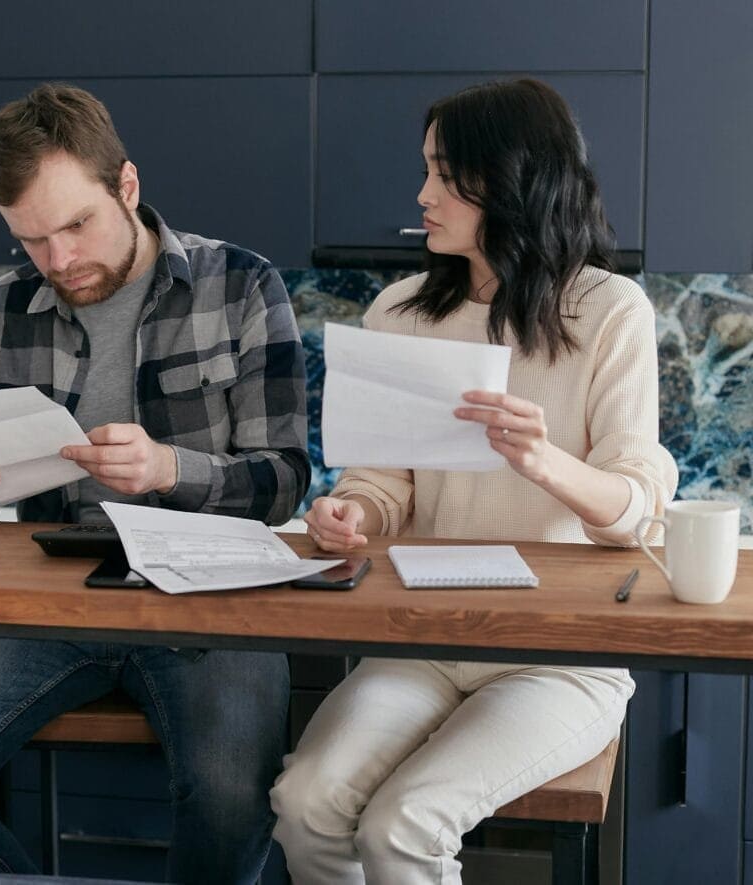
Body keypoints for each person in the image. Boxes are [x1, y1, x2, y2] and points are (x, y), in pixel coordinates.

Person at [0, 82, 310, 884]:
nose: (60, 260)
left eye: (76, 224)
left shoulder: (241, 287)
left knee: (230, 799)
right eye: (32, 240)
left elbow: (284, 484)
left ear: (127, 187)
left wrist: (170, 468)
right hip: (48, 595)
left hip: (212, 595)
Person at [269, 78, 679, 884]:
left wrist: (541, 460)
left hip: (561, 655)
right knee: (305, 801)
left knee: (404, 824)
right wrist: (350, 512)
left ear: (511, 179)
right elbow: (385, 484)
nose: (421, 195)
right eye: (424, 170)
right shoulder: (401, 311)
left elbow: (633, 509)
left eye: (443, 174)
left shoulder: (611, 312)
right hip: (426, 635)